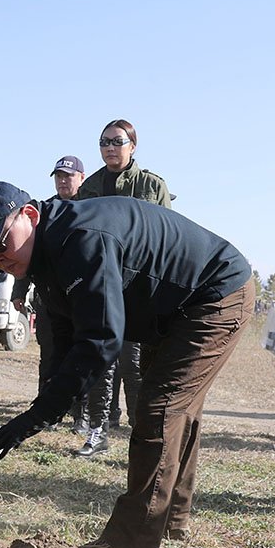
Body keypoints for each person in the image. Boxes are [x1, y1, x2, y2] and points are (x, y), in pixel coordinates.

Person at [0, 182, 253, 548]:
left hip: (213, 294)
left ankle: (128, 546)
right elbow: (67, 341)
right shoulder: (47, 258)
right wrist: (42, 408)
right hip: (168, 310)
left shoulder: (82, 241)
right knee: (175, 410)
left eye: (1, 244)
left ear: (29, 217)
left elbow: (101, 341)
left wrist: (37, 416)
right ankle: (171, 519)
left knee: (160, 409)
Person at [74, 119, 173, 458]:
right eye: (103, 142)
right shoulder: (90, 187)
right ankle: (97, 432)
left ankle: (141, 435)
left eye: (117, 141)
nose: (110, 148)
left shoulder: (151, 185)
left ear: (133, 145)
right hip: (101, 286)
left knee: (133, 365)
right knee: (100, 362)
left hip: (138, 289)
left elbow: (166, 238)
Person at [11, 155, 85, 425]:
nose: (63, 181)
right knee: (50, 355)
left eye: (69, 175)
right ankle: (47, 410)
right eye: (59, 176)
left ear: (81, 178)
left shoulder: (90, 208)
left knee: (81, 354)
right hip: (49, 298)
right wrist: (19, 291)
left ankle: (80, 413)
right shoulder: (43, 211)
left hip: (81, 298)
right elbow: (27, 253)